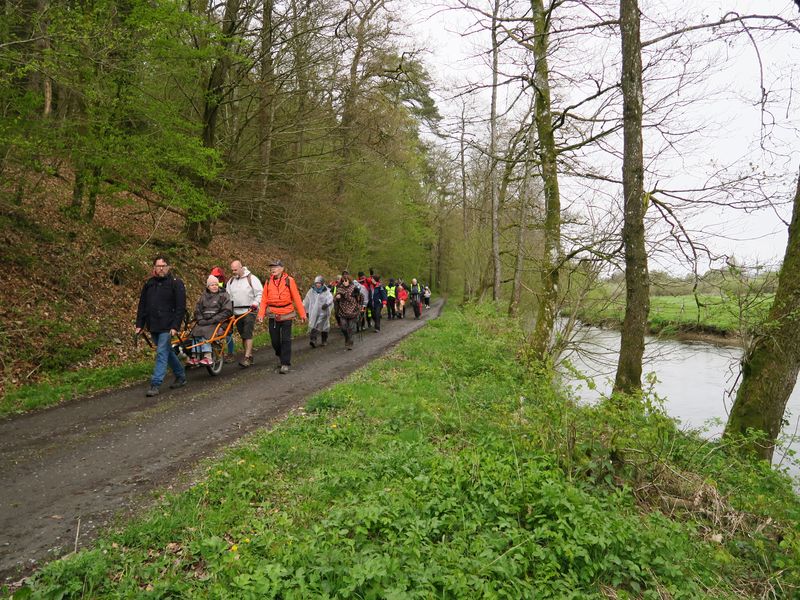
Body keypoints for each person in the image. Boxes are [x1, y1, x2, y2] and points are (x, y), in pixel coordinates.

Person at [135, 255, 187, 397]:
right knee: (167, 352)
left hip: (168, 325)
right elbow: (142, 305)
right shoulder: (149, 284)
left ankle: (155, 383)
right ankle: (181, 376)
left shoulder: (176, 283)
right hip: (153, 325)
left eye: (164, 266)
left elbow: (180, 307)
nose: (161, 268)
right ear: (154, 268)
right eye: (158, 266)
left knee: (161, 353)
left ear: (168, 267)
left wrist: (175, 326)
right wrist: (140, 324)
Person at [257, 259, 307, 374]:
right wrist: (261, 314)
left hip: (287, 315)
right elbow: (264, 299)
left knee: (286, 340)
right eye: (271, 267)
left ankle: (285, 363)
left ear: (282, 268)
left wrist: (302, 314)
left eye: (275, 267)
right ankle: (281, 355)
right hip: (273, 315)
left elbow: (297, 298)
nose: (273, 269)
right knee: (275, 341)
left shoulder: (289, 281)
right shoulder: (268, 282)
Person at [227, 260, 264, 368]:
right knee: (243, 335)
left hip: (249, 311)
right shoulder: (231, 281)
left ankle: (247, 357)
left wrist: (255, 304)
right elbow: (228, 296)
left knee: (247, 333)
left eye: (235, 270)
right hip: (236, 312)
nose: (233, 272)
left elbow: (260, 293)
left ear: (241, 267)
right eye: (232, 270)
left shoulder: (252, 278)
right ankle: (250, 355)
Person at [189, 275, 233, 365]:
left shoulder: (224, 295)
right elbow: (197, 310)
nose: (214, 286)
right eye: (212, 285)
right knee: (194, 333)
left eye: (216, 284)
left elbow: (227, 311)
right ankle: (195, 356)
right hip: (204, 321)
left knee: (206, 332)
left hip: (218, 322)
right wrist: (200, 319)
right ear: (208, 286)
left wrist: (213, 319)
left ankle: (208, 356)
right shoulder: (203, 297)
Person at [210, 266, 235, 362]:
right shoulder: (212, 286)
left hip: (226, 314)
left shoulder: (226, 286)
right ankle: (218, 354)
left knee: (228, 334)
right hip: (215, 314)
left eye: (218, 276)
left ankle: (230, 353)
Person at [334, 273, 362, 350]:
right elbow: (336, 297)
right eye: (343, 281)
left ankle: (350, 341)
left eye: (346, 281)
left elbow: (360, 298)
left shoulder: (354, 288)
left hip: (353, 311)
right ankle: (347, 338)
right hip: (343, 311)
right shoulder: (340, 288)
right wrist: (337, 297)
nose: (344, 282)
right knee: (343, 327)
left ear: (349, 280)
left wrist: (358, 297)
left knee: (351, 328)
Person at [304, 275, 334, 347]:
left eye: (319, 283)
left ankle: (324, 340)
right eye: (316, 283)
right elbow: (306, 301)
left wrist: (327, 304)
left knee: (324, 326)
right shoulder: (311, 291)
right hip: (314, 312)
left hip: (324, 312)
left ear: (322, 283)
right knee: (314, 325)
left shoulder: (326, 291)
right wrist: (306, 311)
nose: (317, 284)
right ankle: (313, 340)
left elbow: (330, 298)